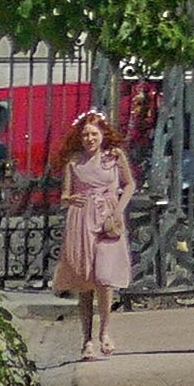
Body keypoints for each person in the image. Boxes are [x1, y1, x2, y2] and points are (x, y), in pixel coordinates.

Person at [57, 108, 136, 362]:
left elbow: (130, 184)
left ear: (103, 134)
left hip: (107, 219)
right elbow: (64, 196)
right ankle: (86, 339)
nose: (89, 139)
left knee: (105, 277)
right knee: (85, 281)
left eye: (93, 134)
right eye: (85, 135)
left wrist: (118, 209)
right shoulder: (74, 162)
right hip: (81, 219)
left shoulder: (114, 157)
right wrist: (70, 198)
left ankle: (105, 331)